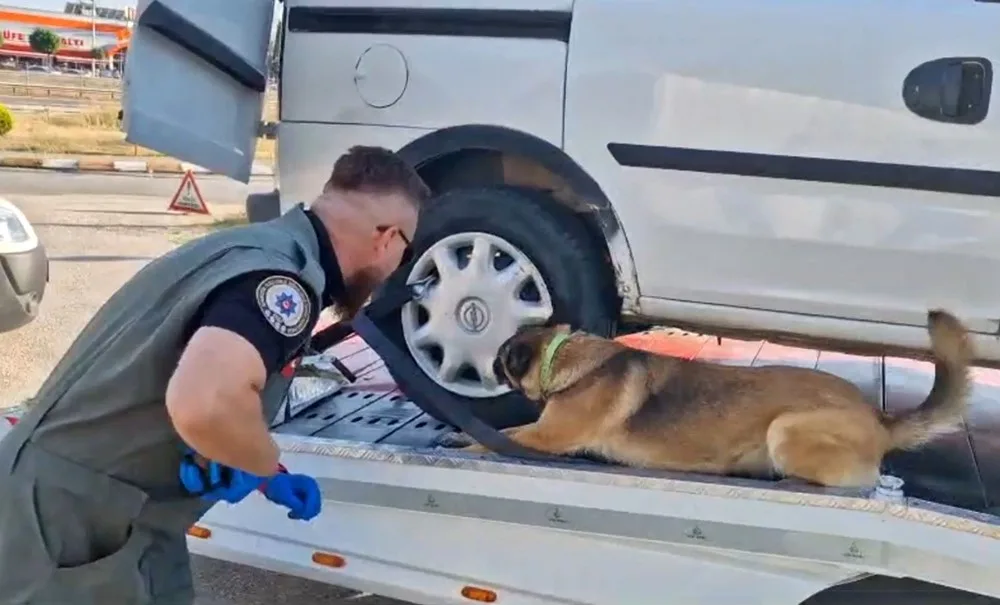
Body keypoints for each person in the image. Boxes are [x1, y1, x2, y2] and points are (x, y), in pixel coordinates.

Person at [0, 145, 430, 604]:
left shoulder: (247, 248)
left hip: (85, 507)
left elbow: (176, 380)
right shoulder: (284, 284)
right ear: (387, 238)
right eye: (403, 256)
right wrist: (256, 461)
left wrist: (265, 473)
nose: (392, 272)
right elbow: (205, 404)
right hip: (67, 525)